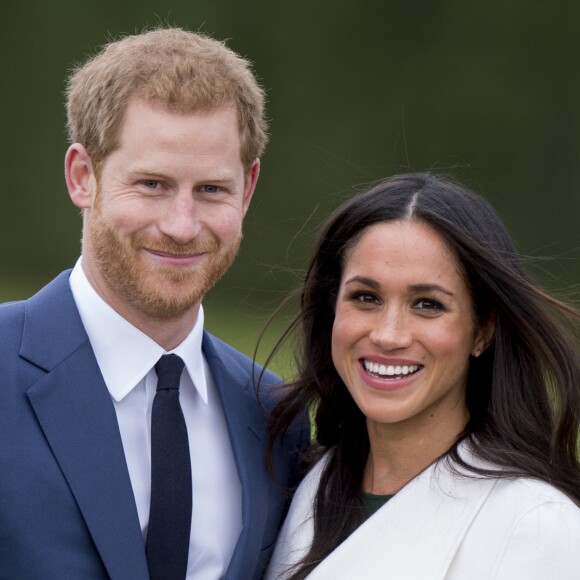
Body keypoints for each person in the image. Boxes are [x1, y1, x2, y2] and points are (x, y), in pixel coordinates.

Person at [0, 28, 309, 580]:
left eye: (212, 189)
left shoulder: (275, 418)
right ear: (82, 177)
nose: (181, 226)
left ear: (249, 187)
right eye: (152, 184)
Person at [264, 173, 580, 579]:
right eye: (366, 297)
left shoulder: (535, 526)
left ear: (482, 330)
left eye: (427, 304)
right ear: (332, 310)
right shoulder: (299, 486)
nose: (387, 334)